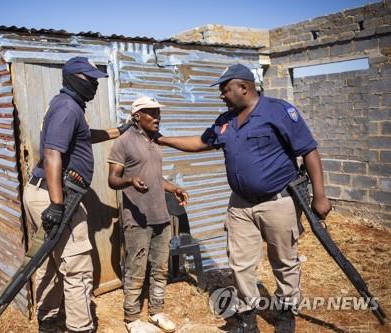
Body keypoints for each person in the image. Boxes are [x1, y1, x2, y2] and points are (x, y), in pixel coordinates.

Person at [157, 64, 332, 333]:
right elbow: (199, 143)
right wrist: (162, 139)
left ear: (244, 87)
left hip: (278, 201)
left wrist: (320, 195)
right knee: (239, 264)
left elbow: (309, 151)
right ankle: (246, 317)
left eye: (225, 89)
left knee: (284, 261)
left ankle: (286, 313)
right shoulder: (225, 121)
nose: (222, 95)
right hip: (239, 204)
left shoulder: (278, 111)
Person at [23, 56, 131, 333]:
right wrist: (58, 205)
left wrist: (117, 131)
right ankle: (80, 328)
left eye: (96, 78)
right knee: (77, 266)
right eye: (89, 78)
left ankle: (48, 320)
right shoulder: (68, 108)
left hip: (48, 193)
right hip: (56, 196)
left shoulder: (68, 106)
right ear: (72, 77)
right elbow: (51, 153)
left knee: (52, 261)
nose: (94, 83)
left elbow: (84, 136)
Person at [107, 96, 189, 333]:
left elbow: (155, 178)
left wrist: (174, 188)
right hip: (137, 218)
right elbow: (112, 179)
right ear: (137, 116)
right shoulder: (123, 142)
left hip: (160, 216)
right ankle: (132, 318)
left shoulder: (155, 142)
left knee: (160, 267)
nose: (157, 117)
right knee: (137, 267)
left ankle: (156, 311)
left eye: (158, 113)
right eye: (151, 113)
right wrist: (129, 180)